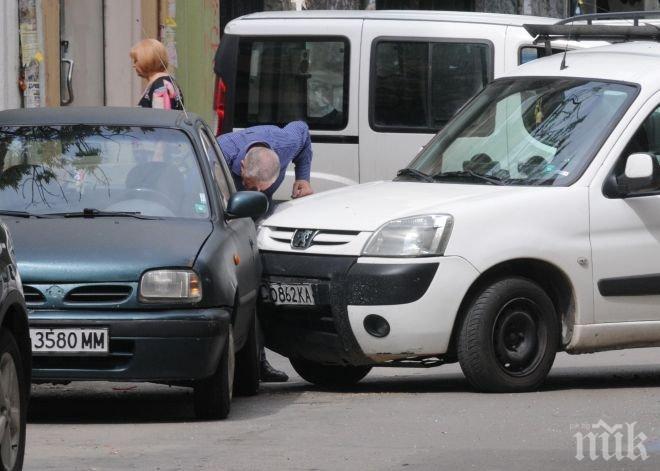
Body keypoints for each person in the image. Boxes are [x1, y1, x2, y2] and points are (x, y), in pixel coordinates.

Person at [217, 121, 314, 382]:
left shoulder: (284, 143)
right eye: (249, 186)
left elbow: (303, 131)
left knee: (257, 289)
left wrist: (303, 177)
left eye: (261, 189)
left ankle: (258, 363)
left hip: (255, 223)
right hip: (224, 222)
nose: (255, 192)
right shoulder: (219, 153)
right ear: (240, 169)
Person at [217, 121, 314, 201]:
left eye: (263, 188)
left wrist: (303, 178)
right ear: (242, 166)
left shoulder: (287, 143)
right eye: (252, 187)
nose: (258, 192)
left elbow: (302, 129)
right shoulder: (220, 152)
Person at [130, 38, 184, 110]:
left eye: (136, 61)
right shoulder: (164, 82)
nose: (134, 65)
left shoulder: (161, 86)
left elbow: (161, 118)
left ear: (147, 59)